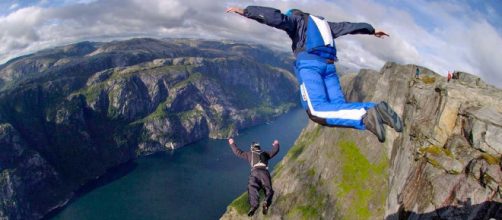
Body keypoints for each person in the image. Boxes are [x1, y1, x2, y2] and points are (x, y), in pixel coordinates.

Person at [226, 6, 402, 142]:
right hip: (330, 69)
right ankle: (377, 111)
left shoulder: (297, 20)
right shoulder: (325, 25)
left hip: (311, 66)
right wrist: (370, 30)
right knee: (338, 109)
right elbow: (349, 27)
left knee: (316, 111)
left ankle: (369, 112)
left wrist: (247, 12)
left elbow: (277, 18)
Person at [228, 138, 280, 216]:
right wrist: (276, 144)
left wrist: (232, 143)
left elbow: (238, 152)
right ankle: (266, 202)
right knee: (268, 189)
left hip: (254, 173)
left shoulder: (249, 154)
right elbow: (275, 151)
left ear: (252, 148)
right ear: (259, 148)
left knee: (252, 188)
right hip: (264, 172)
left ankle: (254, 206)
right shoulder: (265, 153)